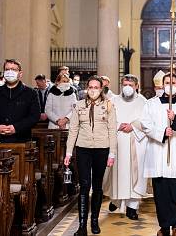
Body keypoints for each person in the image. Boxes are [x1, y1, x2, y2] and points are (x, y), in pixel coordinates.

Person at [141, 72, 176, 236]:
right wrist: (162, 132)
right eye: (167, 82)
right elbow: (145, 124)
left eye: (173, 82)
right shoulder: (151, 104)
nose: (169, 84)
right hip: (159, 154)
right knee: (162, 195)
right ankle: (164, 227)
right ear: (162, 84)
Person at [65, 76, 117, 236]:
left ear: (101, 89)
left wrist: (112, 153)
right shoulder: (79, 105)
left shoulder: (108, 105)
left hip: (102, 149)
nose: (93, 89)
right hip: (83, 149)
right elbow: (73, 129)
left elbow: (112, 130)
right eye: (91, 86)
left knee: (97, 186)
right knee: (84, 186)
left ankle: (94, 221)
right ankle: (82, 226)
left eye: (96, 87)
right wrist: (68, 152)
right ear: (87, 88)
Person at [104, 74, 148, 220]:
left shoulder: (143, 102)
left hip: (136, 142)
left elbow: (148, 120)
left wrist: (133, 126)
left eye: (130, 85)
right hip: (117, 141)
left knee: (135, 174)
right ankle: (116, 199)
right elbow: (105, 118)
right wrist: (118, 126)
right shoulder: (112, 101)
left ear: (136, 86)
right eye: (125, 84)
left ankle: (132, 207)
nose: (127, 87)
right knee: (118, 173)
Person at [0, 59, 41, 143]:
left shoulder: (31, 93)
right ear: (4, 73)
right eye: (7, 69)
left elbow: (34, 116)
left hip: (21, 139)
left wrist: (16, 127)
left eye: (14, 69)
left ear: (20, 74)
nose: (10, 72)